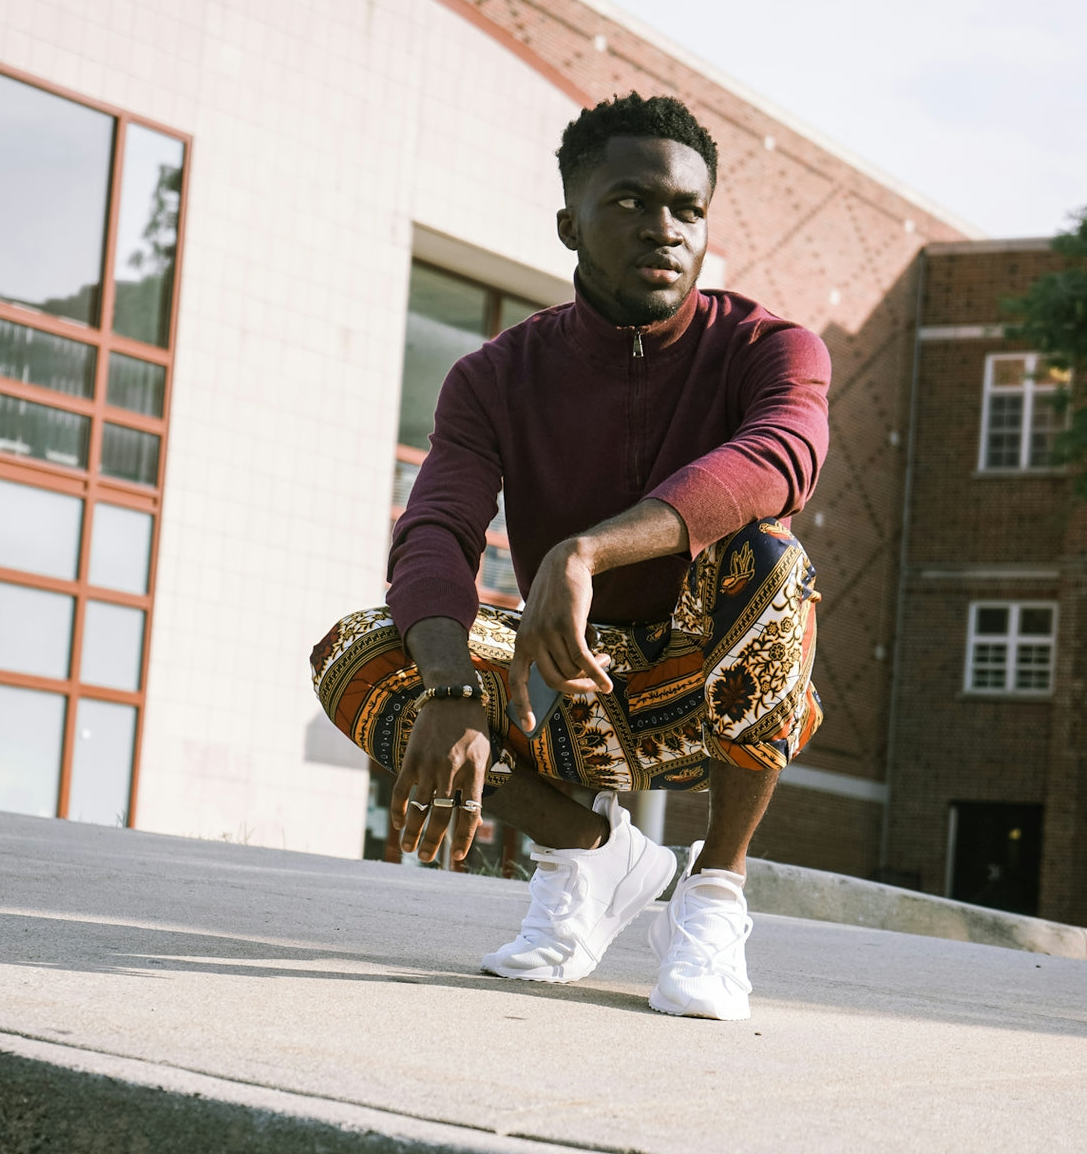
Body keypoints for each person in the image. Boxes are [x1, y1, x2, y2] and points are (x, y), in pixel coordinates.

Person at [312, 92, 829, 1019]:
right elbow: (435, 531)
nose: (664, 229)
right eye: (631, 202)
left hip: (709, 684)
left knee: (771, 562)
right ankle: (594, 857)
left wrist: (584, 552)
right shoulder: (494, 378)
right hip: (566, 686)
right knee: (357, 649)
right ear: (570, 224)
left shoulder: (769, 349)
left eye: (687, 209)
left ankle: (713, 895)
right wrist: (448, 686)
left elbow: (780, 459)